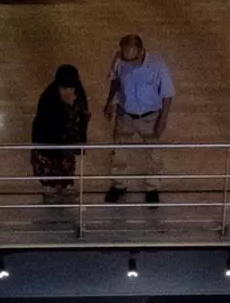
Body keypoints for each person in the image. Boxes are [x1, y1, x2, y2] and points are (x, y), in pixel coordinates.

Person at [103, 34, 174, 204]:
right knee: (119, 151)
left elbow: (167, 94)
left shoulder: (157, 65)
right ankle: (119, 184)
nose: (130, 64)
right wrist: (109, 102)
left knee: (153, 153)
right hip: (125, 114)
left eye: (133, 60)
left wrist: (163, 120)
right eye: (126, 60)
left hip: (150, 117)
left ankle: (152, 187)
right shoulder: (120, 59)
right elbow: (115, 81)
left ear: (142, 51)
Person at [30, 64, 90, 201]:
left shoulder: (79, 95)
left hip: (66, 140)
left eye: (71, 89)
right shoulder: (48, 98)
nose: (67, 92)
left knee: (66, 163)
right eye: (63, 88)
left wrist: (79, 141)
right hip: (47, 140)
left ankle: (66, 186)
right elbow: (45, 126)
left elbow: (82, 118)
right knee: (48, 166)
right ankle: (50, 189)